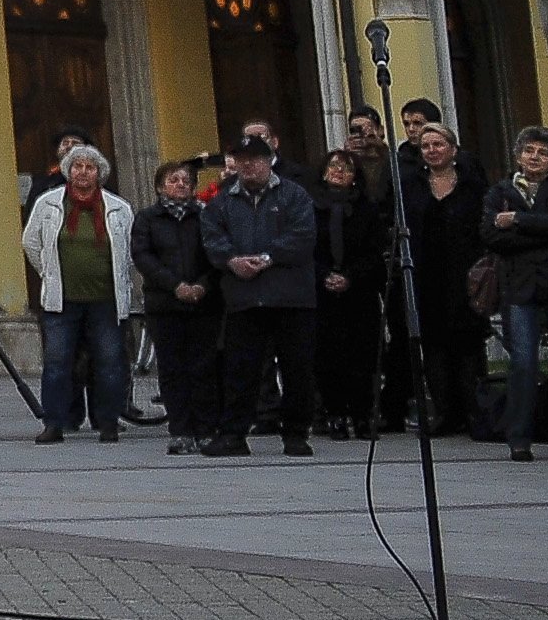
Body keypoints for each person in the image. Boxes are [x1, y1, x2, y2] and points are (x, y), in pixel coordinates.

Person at [205, 134, 322, 457]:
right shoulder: (222, 202)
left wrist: (268, 257)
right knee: (240, 370)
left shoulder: (294, 195)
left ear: (269, 160)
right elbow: (212, 237)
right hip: (244, 297)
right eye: (242, 160)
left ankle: (296, 434)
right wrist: (230, 260)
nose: (248, 165)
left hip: (291, 298)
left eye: (255, 159)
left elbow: (303, 235)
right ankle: (233, 434)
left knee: (297, 368)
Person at [481, 127, 548, 463]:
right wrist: (543, 226)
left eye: (543, 152)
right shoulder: (500, 191)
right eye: (529, 151)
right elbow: (491, 236)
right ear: (518, 156)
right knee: (523, 363)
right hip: (519, 286)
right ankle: (519, 439)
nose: (535, 158)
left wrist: (517, 221)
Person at [20, 146, 136, 441]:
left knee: (110, 362)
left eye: (89, 167)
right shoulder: (48, 204)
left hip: (106, 300)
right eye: (77, 166)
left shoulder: (119, 208)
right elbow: (31, 243)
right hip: (62, 301)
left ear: (99, 173)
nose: (83, 172)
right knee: (57, 362)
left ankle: (108, 422)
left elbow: (129, 251)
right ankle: (55, 423)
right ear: (68, 171)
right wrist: (48, 272)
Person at [401, 120, 491, 439]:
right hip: (427, 274)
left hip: (466, 274)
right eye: (426, 146)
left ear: (453, 149)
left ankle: (475, 412)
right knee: (435, 347)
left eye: (438, 144)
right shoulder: (410, 185)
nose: (432, 151)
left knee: (467, 346)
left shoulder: (473, 184)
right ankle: (444, 413)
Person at [132, 159, 224, 456]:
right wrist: (176, 286)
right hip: (165, 304)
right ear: (161, 186)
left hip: (203, 303)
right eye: (174, 180)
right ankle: (180, 429)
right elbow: (144, 257)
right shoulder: (147, 219)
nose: (181, 184)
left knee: (204, 368)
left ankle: (206, 429)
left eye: (186, 180)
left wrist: (202, 286)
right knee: (172, 369)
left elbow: (216, 253)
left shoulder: (206, 216)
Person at [310, 146, 390, 439]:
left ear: (355, 176)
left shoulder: (367, 209)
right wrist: (325, 276)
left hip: (359, 293)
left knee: (362, 357)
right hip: (322, 293)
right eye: (333, 167)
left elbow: (374, 252)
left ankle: (363, 415)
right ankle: (334, 414)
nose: (339, 172)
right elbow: (306, 250)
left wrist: (350, 277)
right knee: (328, 357)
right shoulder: (311, 207)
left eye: (345, 168)